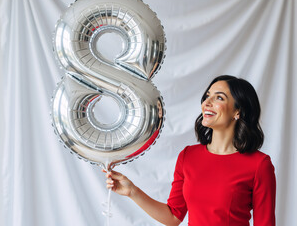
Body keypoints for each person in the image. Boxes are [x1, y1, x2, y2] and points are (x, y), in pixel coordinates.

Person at [106, 75, 276, 225]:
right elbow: (173, 217)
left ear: (237, 111)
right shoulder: (188, 156)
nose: (207, 103)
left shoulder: (259, 165)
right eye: (207, 96)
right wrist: (132, 191)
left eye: (219, 98)